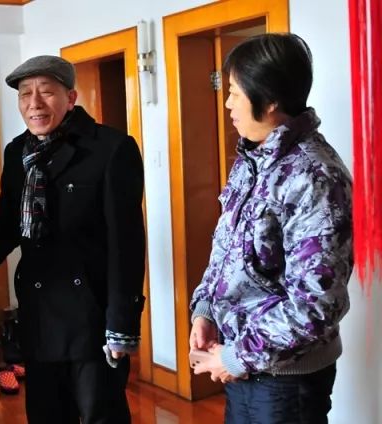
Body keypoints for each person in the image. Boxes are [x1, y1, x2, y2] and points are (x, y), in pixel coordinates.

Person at [189, 33, 353, 424]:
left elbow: (317, 303)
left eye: (234, 92)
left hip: (286, 380)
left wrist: (236, 357)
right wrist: (205, 310)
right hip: (243, 365)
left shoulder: (314, 174)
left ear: (270, 99)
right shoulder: (253, 158)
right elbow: (226, 249)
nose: (227, 103)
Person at [0, 55, 146, 423]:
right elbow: (9, 224)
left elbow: (127, 244)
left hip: (91, 314)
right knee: (46, 414)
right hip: (39, 312)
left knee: (100, 414)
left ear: (71, 98)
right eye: (25, 94)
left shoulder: (110, 148)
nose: (34, 103)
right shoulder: (17, 152)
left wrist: (122, 323)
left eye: (46, 92)